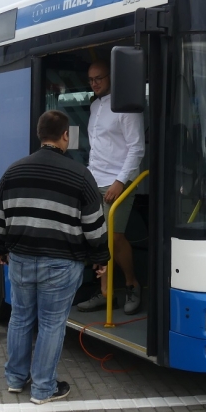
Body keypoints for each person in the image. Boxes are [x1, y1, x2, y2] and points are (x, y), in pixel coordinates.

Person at [0, 110, 110, 405]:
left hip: (20, 258)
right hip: (61, 262)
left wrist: (0, 249)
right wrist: (100, 258)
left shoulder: (13, 172)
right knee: (51, 323)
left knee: (20, 318)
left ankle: (16, 379)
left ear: (39, 134)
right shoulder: (81, 176)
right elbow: (94, 225)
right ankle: (43, 388)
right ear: (65, 136)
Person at [77, 60, 145, 315]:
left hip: (118, 181)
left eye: (99, 78)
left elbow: (137, 148)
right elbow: (98, 147)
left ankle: (132, 284)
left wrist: (120, 181)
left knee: (114, 237)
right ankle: (105, 293)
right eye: (90, 79)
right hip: (94, 180)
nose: (94, 83)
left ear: (112, 77)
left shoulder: (127, 108)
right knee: (98, 238)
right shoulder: (95, 106)